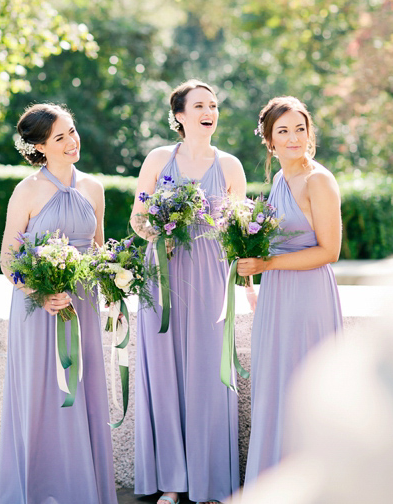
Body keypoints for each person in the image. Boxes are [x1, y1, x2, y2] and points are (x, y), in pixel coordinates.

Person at [131, 79, 247, 504]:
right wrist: (156, 230)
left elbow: (239, 227)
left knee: (208, 376)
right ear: (179, 115)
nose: (209, 111)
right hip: (162, 274)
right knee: (163, 375)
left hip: (211, 277)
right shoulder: (159, 159)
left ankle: (210, 479)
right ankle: (173, 482)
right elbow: (138, 217)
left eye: (213, 105)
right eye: (199, 105)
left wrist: (245, 278)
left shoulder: (230, 165)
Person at [0, 103, 117, 504]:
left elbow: (98, 250)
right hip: (37, 311)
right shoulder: (27, 190)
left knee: (82, 393)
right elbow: (9, 259)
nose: (71, 142)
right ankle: (40, 491)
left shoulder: (94, 188)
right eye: (60, 137)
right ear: (40, 147)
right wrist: (40, 293)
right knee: (42, 398)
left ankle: (82, 491)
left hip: (81, 306)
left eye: (72, 131)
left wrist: (117, 279)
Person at [237, 95, 344, 485]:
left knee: (306, 391)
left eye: (300, 128)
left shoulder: (319, 180)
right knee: (275, 388)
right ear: (270, 141)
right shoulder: (281, 179)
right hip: (276, 297)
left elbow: (328, 250)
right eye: (284, 131)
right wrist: (250, 264)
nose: (294, 137)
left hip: (308, 297)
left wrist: (269, 265)